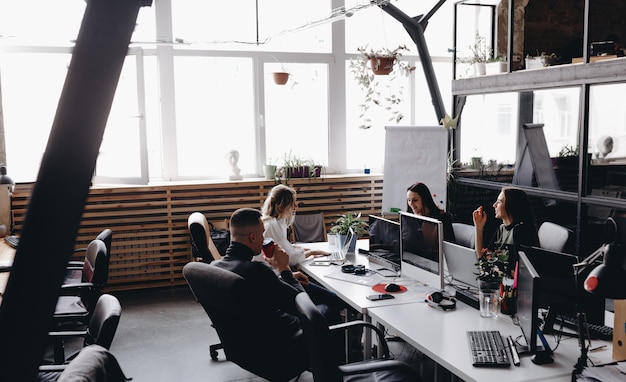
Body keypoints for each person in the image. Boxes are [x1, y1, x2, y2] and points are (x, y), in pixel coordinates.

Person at [212, 207, 346, 363]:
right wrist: (284, 269)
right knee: (329, 306)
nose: (264, 239)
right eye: (262, 233)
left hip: (247, 345)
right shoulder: (257, 271)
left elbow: (261, 289)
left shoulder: (216, 267)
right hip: (282, 346)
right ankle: (335, 368)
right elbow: (301, 304)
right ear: (252, 237)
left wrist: (278, 277)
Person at [255, 184, 329, 266]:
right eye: (292, 203)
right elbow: (290, 259)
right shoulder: (272, 225)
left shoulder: (276, 222)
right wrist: (312, 252)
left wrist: (299, 248)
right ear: (281, 207)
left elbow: (283, 248)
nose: (296, 206)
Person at [472, 187, 539, 262]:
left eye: (499, 202)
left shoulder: (521, 231)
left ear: (510, 205)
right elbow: (483, 258)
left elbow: (516, 268)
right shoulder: (502, 228)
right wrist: (478, 228)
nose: (494, 205)